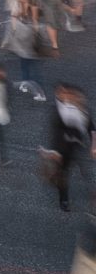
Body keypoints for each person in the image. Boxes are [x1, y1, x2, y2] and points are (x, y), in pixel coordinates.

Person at [45, 83, 96, 212]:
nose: (63, 96)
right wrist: (54, 152)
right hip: (63, 149)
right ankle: (64, 199)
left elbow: (92, 128)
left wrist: (94, 144)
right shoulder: (58, 111)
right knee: (63, 174)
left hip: (78, 147)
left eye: (66, 93)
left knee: (85, 172)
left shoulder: (82, 109)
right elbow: (55, 133)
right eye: (60, 93)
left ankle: (91, 195)